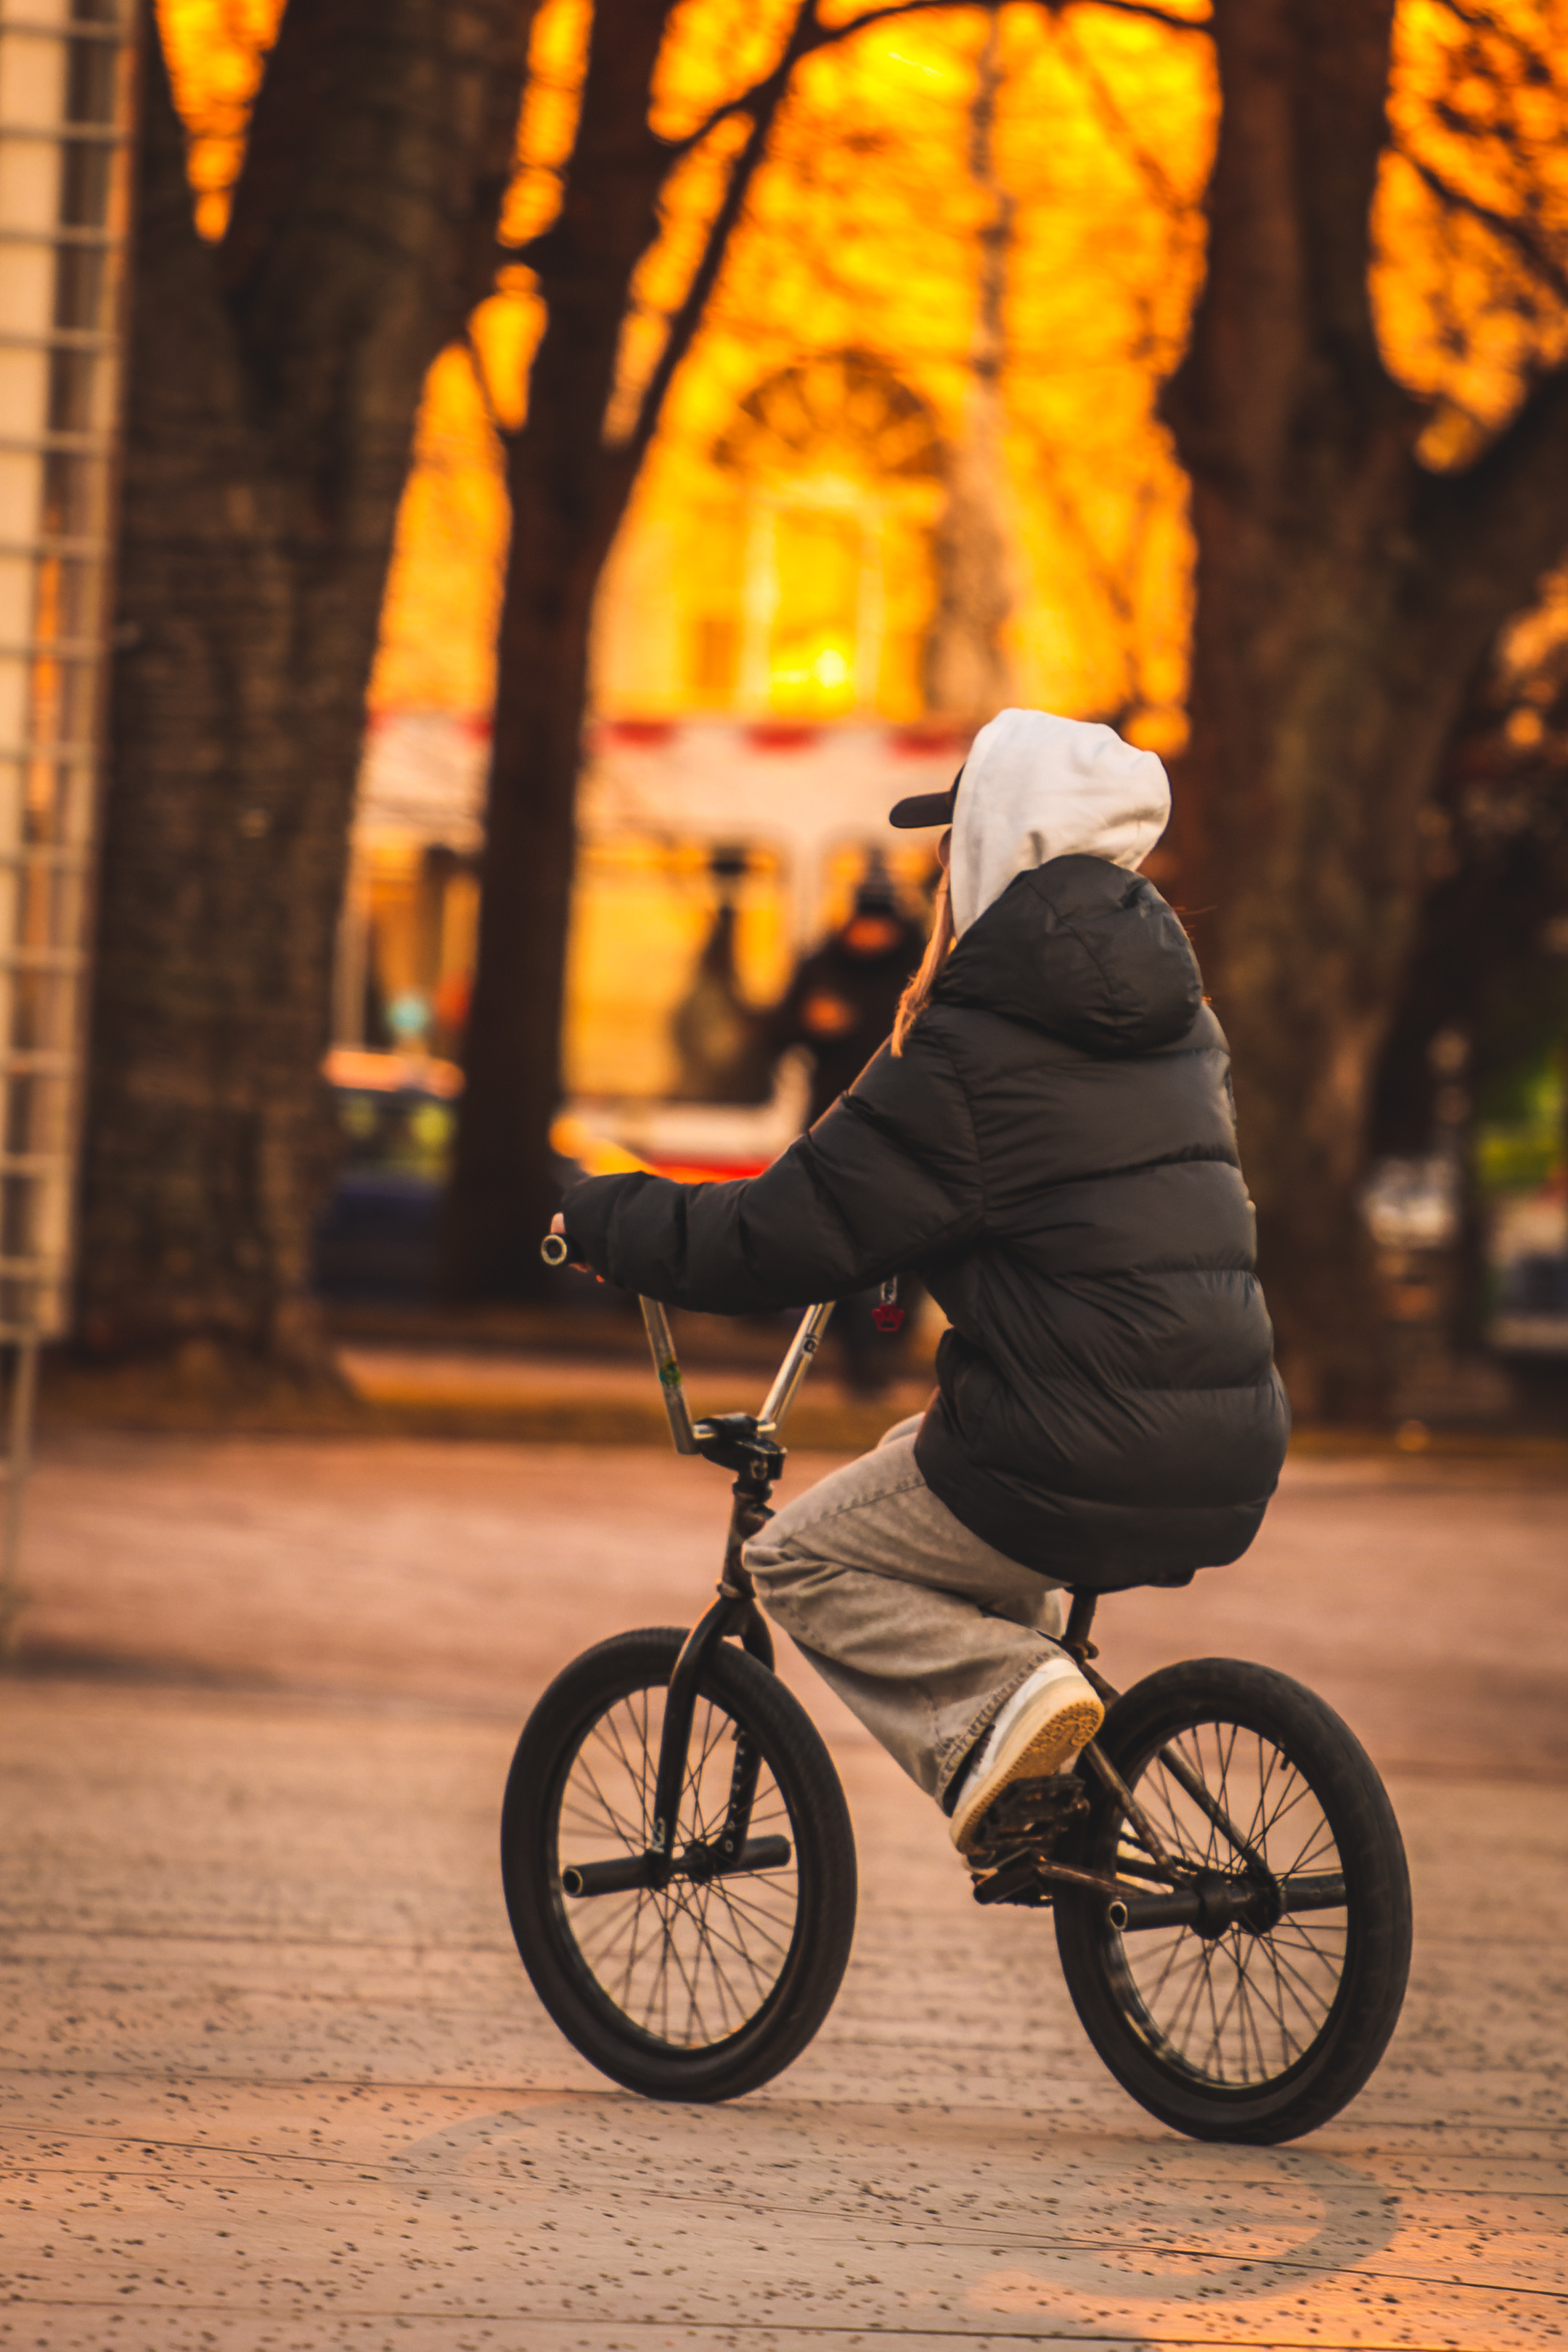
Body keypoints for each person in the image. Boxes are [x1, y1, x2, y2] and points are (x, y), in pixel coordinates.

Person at [552, 709, 1291, 1858]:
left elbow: (774, 1237)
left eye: (953, 843)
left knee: (796, 1555)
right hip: (1230, 1447)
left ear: (995, 852)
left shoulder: (966, 1048)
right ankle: (1046, 1742)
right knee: (929, 1450)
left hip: (1067, 1455)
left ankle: (1008, 1698)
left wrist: (606, 1213)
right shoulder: (1179, 1026)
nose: (938, 869)